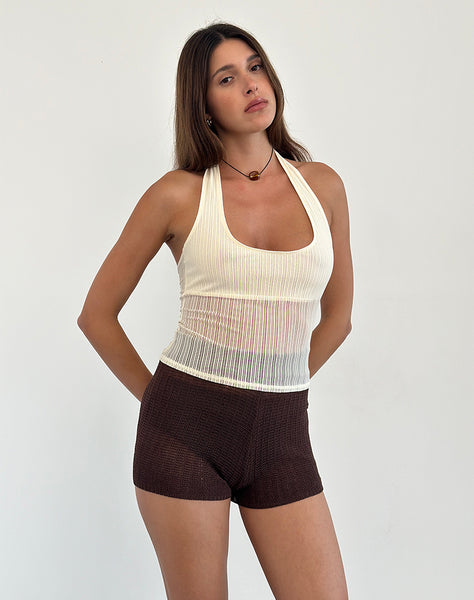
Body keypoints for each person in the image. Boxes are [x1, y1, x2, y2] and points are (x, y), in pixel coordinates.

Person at [78, 21, 353, 600]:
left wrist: (276, 386)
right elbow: (96, 315)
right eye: (226, 78)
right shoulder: (177, 194)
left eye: (255, 67)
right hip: (182, 434)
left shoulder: (323, 186)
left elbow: (339, 318)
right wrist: (163, 404)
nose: (250, 84)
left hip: (282, 435)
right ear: (201, 104)